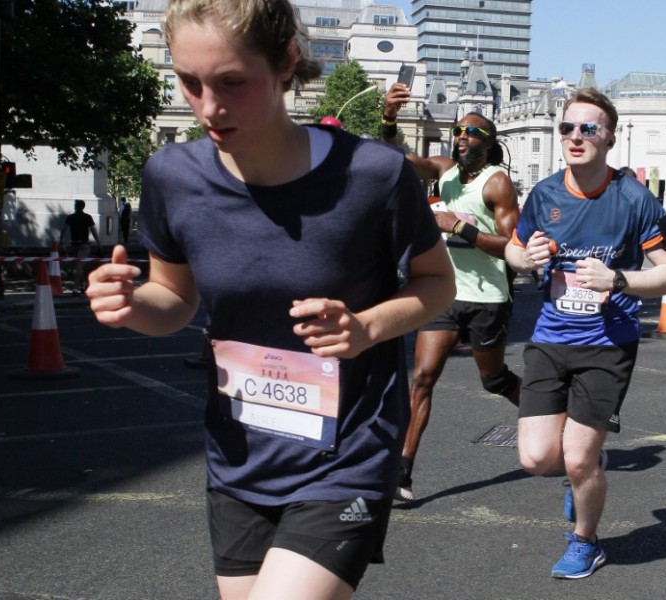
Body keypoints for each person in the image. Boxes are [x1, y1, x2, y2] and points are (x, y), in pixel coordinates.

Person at [84, 2, 455, 598]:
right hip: (241, 455)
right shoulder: (171, 176)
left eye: (232, 82)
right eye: (189, 82)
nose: (207, 106)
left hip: (346, 454)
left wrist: (366, 327)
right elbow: (172, 299)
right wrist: (131, 306)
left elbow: (439, 283)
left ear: (286, 61)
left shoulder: (373, 173)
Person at [504, 88, 666, 579]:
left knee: (579, 459)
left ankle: (585, 541)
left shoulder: (633, 198)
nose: (576, 137)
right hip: (550, 337)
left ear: (610, 137)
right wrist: (527, 259)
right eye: (568, 128)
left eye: (589, 128)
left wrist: (621, 280)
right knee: (537, 458)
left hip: (609, 342)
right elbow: (513, 251)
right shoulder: (544, 194)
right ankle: (580, 466)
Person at [380, 82, 522, 502]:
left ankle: (552, 417)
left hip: (487, 297)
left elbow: (512, 248)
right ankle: (402, 474)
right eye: (459, 130)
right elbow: (400, 161)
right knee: (422, 379)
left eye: (472, 132)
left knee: (494, 380)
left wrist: (460, 227)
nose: (462, 135)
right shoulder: (445, 172)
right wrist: (389, 117)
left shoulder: (498, 185)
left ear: (489, 143)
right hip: (444, 292)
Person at [59, 199, 101, 293]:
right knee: (79, 265)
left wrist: (61, 241)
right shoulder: (88, 217)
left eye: (75, 205)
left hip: (74, 244)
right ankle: (80, 285)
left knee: (78, 265)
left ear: (76, 207)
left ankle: (77, 286)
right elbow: (93, 231)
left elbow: (63, 229)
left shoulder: (70, 217)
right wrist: (98, 242)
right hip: (84, 244)